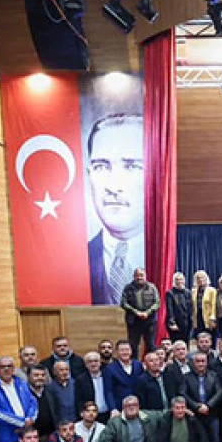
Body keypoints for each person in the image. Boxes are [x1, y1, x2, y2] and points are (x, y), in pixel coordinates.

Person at [86, 113, 145, 307]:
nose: (113, 186)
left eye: (132, 166)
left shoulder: (173, 257)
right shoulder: (75, 262)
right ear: (89, 174)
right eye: (101, 167)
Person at [180, 351, 222, 442]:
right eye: (198, 361)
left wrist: (208, 406)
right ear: (193, 363)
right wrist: (197, 406)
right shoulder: (186, 377)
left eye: (203, 361)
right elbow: (183, 393)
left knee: (215, 440)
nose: (200, 364)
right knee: (200, 440)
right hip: (195, 415)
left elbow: (220, 391)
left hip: (212, 413)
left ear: (206, 362)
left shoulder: (214, 375)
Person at [121, 268, 160, 358]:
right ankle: (135, 363)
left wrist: (147, 312)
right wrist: (136, 312)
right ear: (134, 276)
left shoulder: (152, 287)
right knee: (133, 345)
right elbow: (123, 303)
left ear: (145, 276)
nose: (139, 277)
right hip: (133, 321)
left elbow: (157, 303)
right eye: (137, 275)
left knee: (151, 345)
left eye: (141, 275)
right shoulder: (128, 288)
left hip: (150, 321)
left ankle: (151, 362)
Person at [102, 340, 144, 418]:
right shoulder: (110, 368)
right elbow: (108, 391)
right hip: (120, 408)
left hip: (138, 406)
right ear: (116, 352)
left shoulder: (138, 365)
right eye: (122, 350)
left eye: (127, 350)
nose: (125, 352)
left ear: (131, 351)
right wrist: (113, 408)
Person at [46, 361, 79, 429]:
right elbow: (52, 408)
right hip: (60, 425)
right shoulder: (50, 387)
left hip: (76, 423)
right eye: (61, 370)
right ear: (54, 372)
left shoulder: (75, 383)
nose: (65, 372)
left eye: (66, 369)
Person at [27, 365, 55, 442]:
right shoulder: (23, 393)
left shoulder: (50, 391)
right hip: (32, 437)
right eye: (36, 375)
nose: (40, 377)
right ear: (28, 376)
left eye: (43, 375)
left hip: (51, 435)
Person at [165, 272, 194, 345]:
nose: (179, 281)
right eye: (177, 280)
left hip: (187, 323)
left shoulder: (188, 292)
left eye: (181, 279)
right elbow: (170, 309)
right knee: (176, 343)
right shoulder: (170, 293)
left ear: (184, 281)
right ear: (174, 281)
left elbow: (191, 307)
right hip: (175, 323)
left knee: (186, 343)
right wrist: (172, 323)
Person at [192, 270, 217, 337]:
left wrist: (213, 318)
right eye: (198, 278)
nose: (200, 279)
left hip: (208, 318)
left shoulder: (212, 290)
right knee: (198, 336)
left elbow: (214, 305)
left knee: (209, 337)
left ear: (206, 278)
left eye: (202, 277)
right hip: (197, 317)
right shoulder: (193, 291)